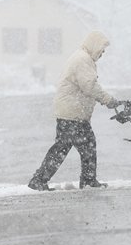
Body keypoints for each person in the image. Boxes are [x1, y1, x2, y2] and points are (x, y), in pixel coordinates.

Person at [28, 31, 120, 191]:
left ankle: (42, 179)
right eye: (101, 50)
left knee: (69, 147)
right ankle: (86, 181)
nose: (102, 54)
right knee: (79, 145)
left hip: (71, 112)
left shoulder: (83, 58)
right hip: (72, 113)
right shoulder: (83, 60)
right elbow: (89, 86)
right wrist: (108, 100)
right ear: (94, 45)